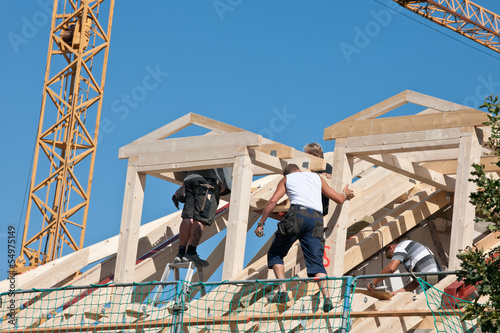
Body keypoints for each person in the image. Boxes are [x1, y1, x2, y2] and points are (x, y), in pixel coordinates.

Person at [254, 164, 354, 312]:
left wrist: (261, 223)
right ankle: (327, 298)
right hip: (316, 220)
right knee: (315, 261)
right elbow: (339, 199)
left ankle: (282, 291)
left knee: (276, 253)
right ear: (298, 170)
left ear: (287, 174)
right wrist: (345, 194)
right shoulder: (316, 177)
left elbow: (272, 201)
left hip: (296, 215)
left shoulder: (287, 179)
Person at [174, 168, 232, 266]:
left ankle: (180, 253)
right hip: (207, 181)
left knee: (188, 217)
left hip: (189, 179)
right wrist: (224, 184)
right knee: (201, 217)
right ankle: (191, 252)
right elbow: (226, 166)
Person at [366, 240, 442, 295]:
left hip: (429, 279)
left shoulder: (401, 246)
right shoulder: (411, 252)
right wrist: (396, 293)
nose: (392, 258)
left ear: (391, 247)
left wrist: (373, 283)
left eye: (390, 256)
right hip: (437, 279)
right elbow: (416, 283)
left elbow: (391, 268)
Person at [303, 143, 333, 216]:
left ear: (314, 155)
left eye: (306, 154)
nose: (305, 157)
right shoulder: (308, 168)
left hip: (321, 207)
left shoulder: (326, 167)